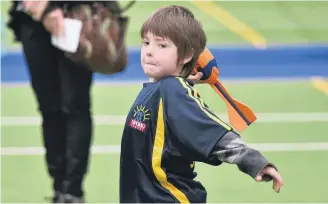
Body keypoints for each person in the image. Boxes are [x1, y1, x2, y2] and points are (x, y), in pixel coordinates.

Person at [119, 5, 284, 203]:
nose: (149, 52)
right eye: (146, 43)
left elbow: (214, 134)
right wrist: (182, 80)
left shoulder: (173, 91)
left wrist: (254, 162)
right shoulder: (160, 89)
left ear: (187, 55)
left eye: (162, 45)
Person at [6, 1, 133, 203]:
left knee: (76, 107)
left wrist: (50, 7)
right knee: (49, 109)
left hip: (75, 16)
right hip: (32, 20)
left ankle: (73, 191)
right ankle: (59, 187)